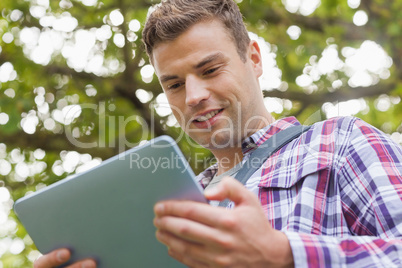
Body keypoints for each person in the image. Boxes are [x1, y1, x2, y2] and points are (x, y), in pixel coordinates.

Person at [34, 0, 402, 267]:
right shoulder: (172, 205)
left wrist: (283, 255)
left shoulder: (341, 143)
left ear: (254, 58)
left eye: (209, 70)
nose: (193, 97)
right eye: (175, 84)